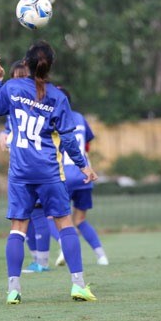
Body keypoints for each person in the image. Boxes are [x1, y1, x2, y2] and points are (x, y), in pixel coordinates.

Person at [0, 41, 98, 304]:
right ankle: (78, 285)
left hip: (20, 172)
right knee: (64, 223)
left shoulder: (12, 87)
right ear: (49, 67)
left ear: (26, 63)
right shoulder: (58, 97)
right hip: (49, 172)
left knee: (18, 228)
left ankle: (13, 290)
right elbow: (69, 140)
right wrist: (84, 166)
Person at [0, 61, 51, 274]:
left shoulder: (40, 103)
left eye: (22, 78)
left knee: (38, 215)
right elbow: (8, 128)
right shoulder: (13, 108)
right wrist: (4, 135)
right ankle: (38, 260)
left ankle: (43, 261)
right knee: (23, 216)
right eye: (15, 78)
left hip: (36, 167)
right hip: (20, 168)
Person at [50, 86, 109, 267]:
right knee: (80, 220)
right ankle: (102, 256)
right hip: (84, 175)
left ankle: (64, 247)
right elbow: (86, 145)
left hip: (63, 175)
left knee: (51, 217)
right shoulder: (80, 118)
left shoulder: (51, 118)